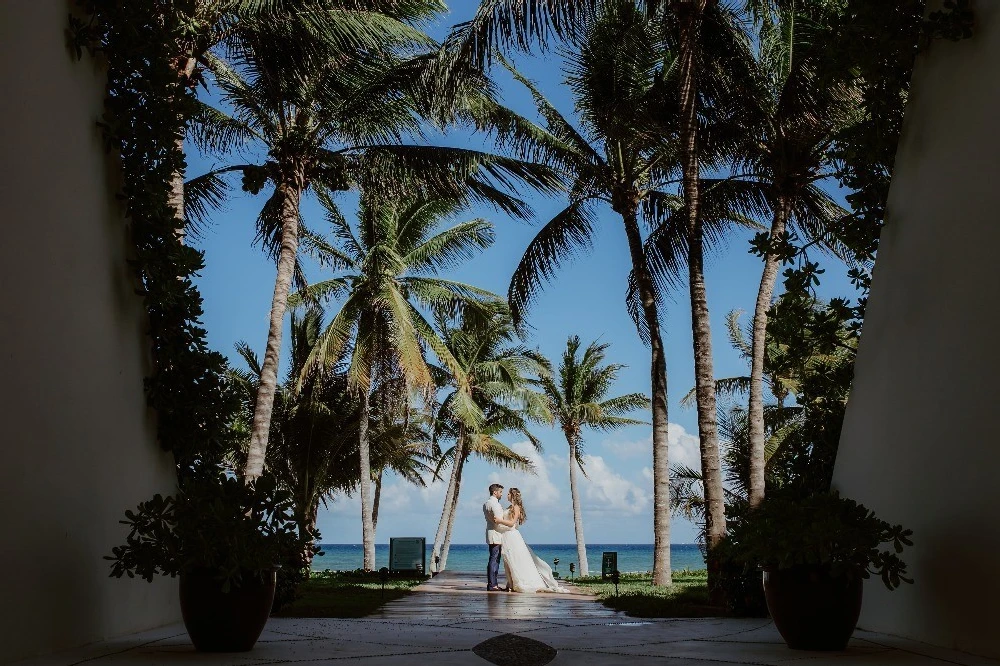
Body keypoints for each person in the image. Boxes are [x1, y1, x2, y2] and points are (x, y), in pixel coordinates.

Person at [494, 488, 567, 593]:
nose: (507, 496)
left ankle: (517, 583)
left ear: (513, 495)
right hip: (506, 536)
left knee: (515, 560)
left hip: (512, 536)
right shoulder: (509, 507)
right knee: (508, 561)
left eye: (509, 494)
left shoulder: (516, 507)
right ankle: (510, 583)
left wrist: (500, 521)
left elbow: (512, 523)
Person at [482, 483, 506, 591]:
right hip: (496, 533)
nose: (501, 494)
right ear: (495, 492)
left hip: (490, 532)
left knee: (493, 558)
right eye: (500, 492)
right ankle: (492, 584)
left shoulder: (486, 503)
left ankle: (492, 583)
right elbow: (498, 521)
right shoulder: (495, 504)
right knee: (494, 559)